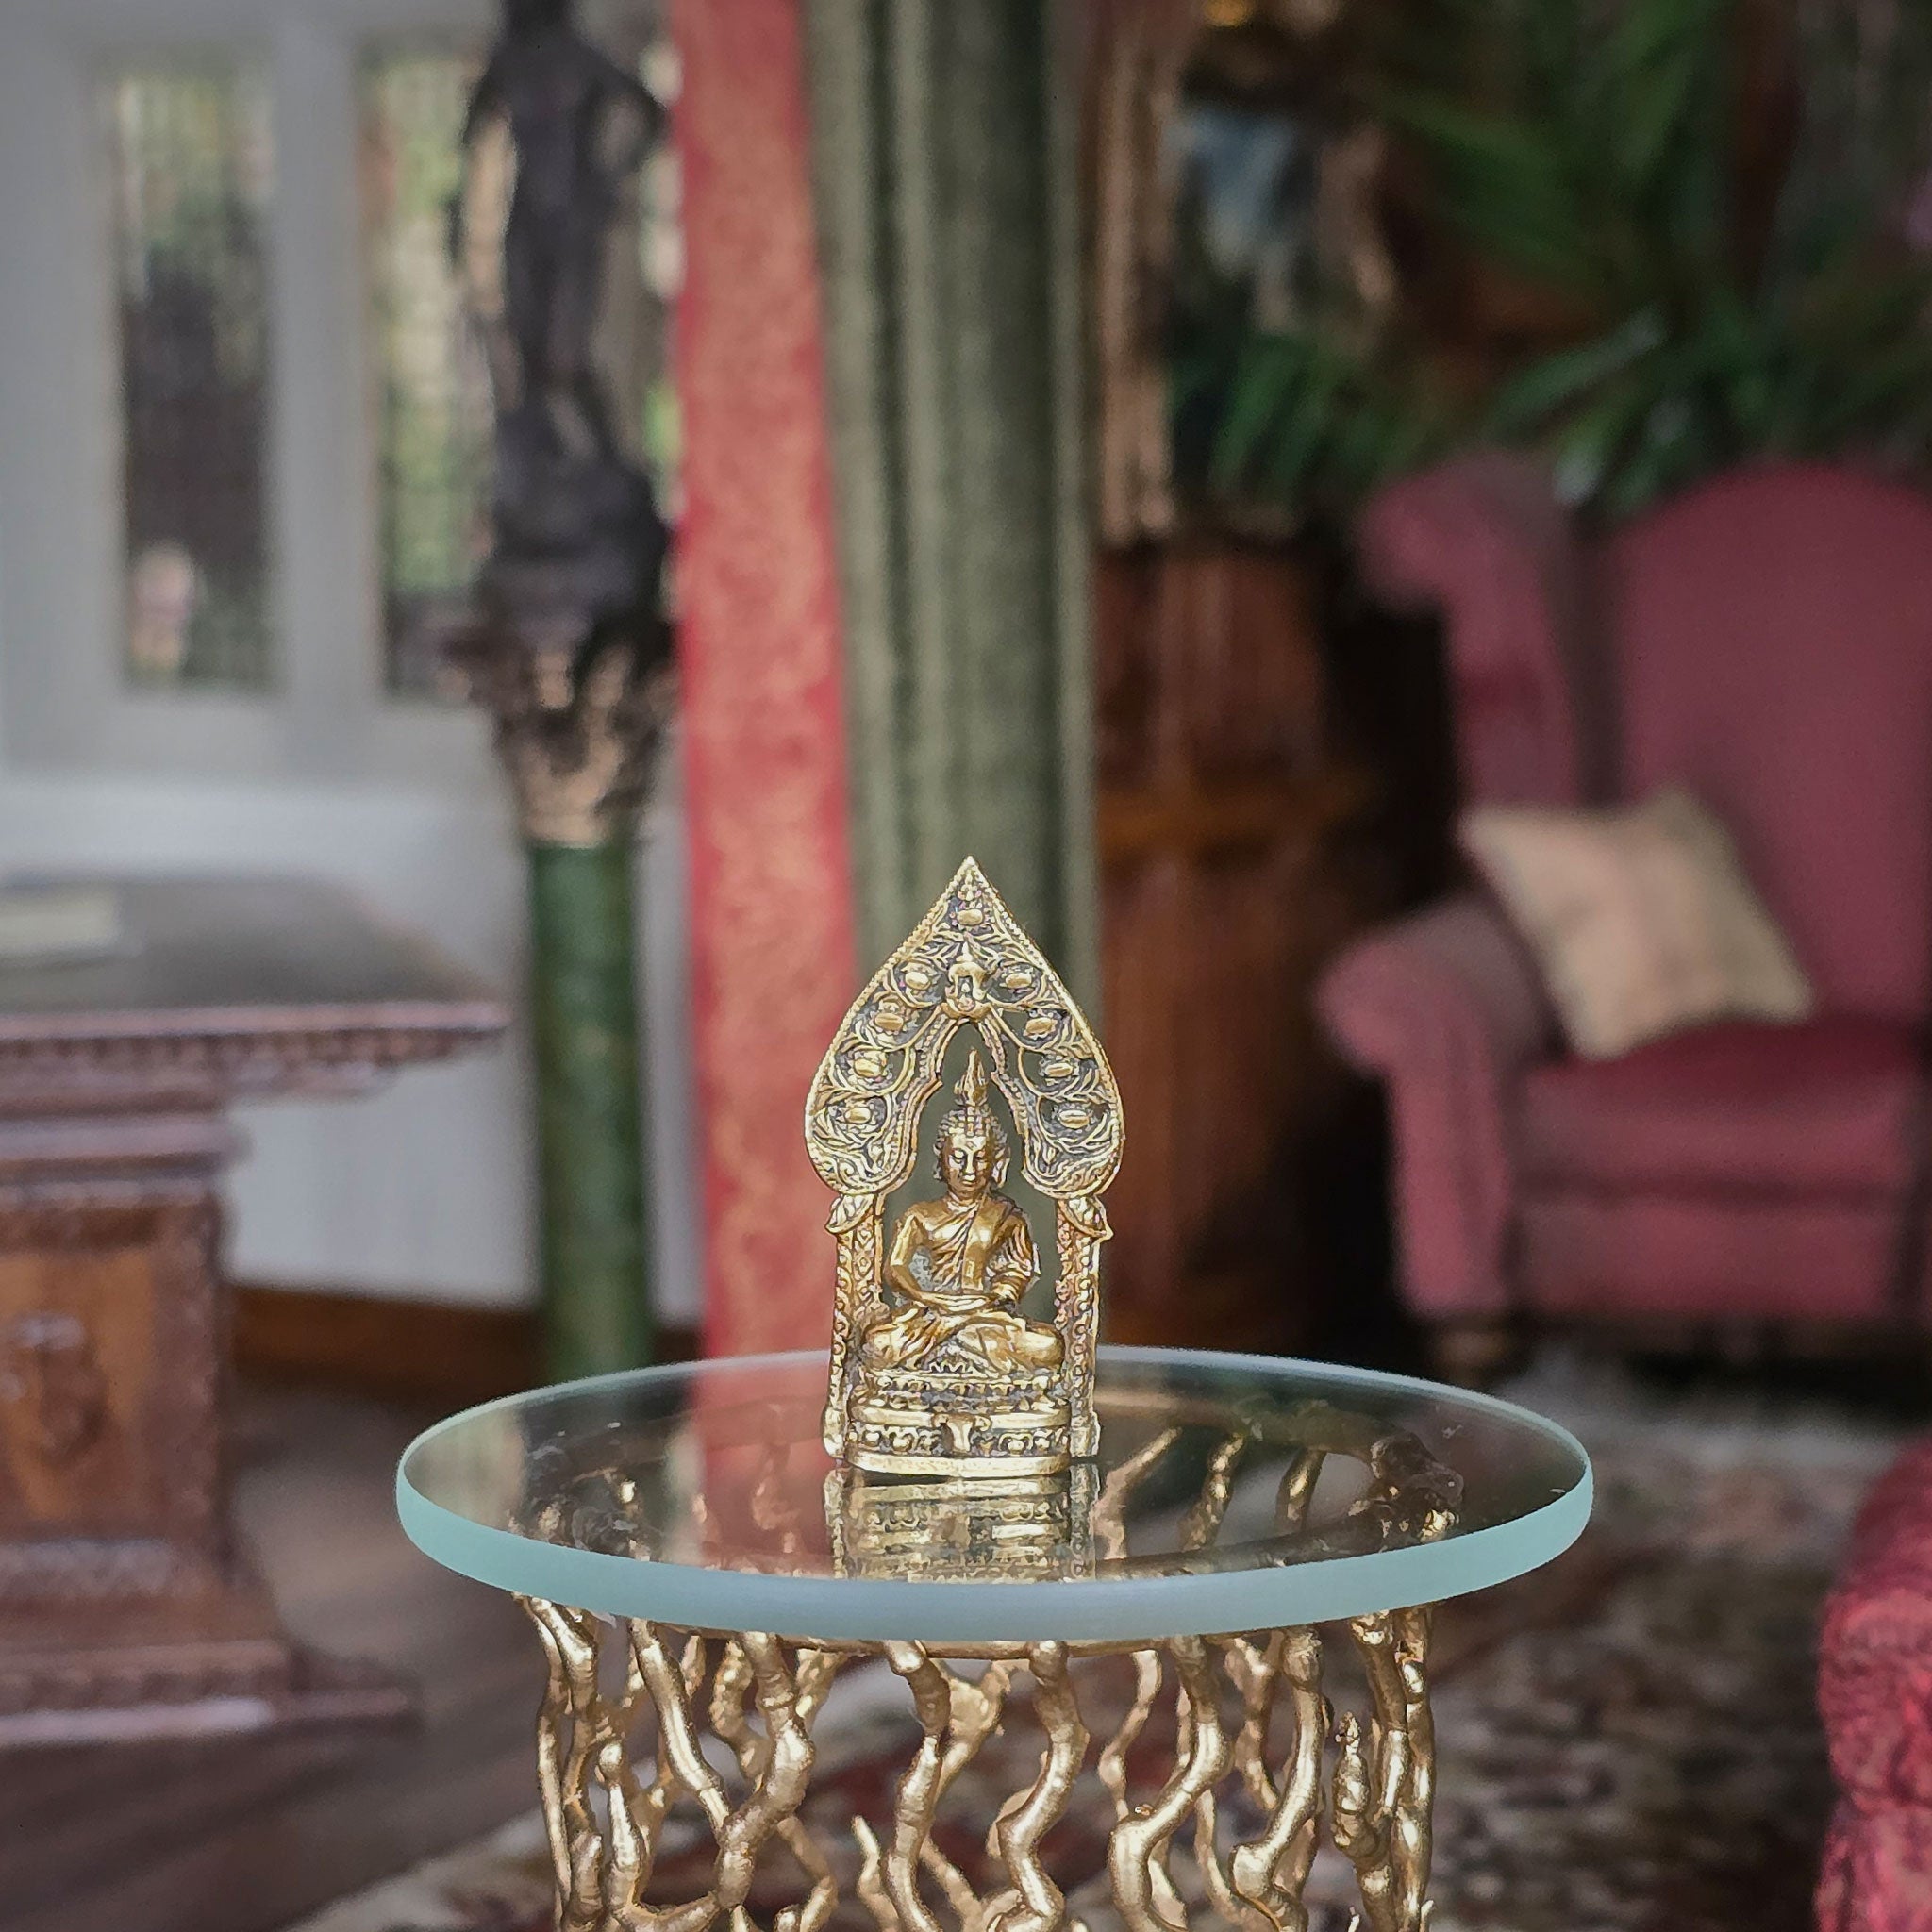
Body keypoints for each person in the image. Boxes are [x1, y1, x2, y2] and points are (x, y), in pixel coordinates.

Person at [861, 1053, 1063, 1376]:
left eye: (980, 1158)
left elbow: (1019, 1268)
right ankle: (962, 1352)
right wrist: (930, 1298)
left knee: (1048, 1345)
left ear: (996, 1162)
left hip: (984, 1316)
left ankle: (957, 1349)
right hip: (930, 1314)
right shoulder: (920, 1215)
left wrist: (992, 1297)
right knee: (877, 1343)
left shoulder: (1005, 1215)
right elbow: (895, 1267)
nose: (969, 1170)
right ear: (940, 1159)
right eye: (958, 1157)